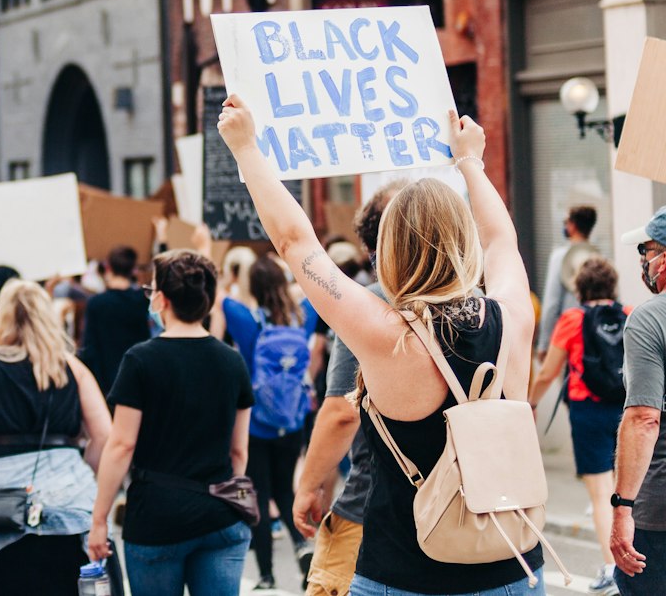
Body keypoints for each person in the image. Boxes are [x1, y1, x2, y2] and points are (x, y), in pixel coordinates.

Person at [219, 98, 548, 594]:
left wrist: (246, 149)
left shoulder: (384, 334)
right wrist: (470, 162)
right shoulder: (514, 315)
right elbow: (503, 240)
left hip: (400, 571)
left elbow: (295, 243)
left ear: (387, 248)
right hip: (512, 568)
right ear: (465, 243)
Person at [88, 251, 253, 595]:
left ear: (161, 299)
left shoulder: (140, 360)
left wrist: (99, 519)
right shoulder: (231, 360)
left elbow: (122, 445)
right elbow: (238, 451)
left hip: (157, 515)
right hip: (220, 513)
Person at [0, 279, 112, 593]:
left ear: (2, 317)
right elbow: (104, 437)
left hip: (1, 510)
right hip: (70, 506)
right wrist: (84, 477)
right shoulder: (72, 367)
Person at [292, 182, 404, 596]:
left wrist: (309, 486)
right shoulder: (476, 302)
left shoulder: (368, 302)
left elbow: (342, 411)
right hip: (458, 512)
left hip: (373, 507)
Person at [218, 257, 318, 589]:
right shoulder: (301, 319)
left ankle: (265, 574)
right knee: (285, 491)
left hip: (256, 423)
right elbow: (313, 287)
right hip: (292, 421)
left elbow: (222, 299)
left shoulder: (248, 322)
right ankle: (303, 545)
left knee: (257, 495)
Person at [530, 256, 628, 593]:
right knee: (632, 490)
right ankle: (638, 563)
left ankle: (612, 569)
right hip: (626, 409)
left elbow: (547, 373)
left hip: (587, 412)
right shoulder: (629, 315)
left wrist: (529, 403)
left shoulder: (572, 319)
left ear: (580, 289)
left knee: (602, 494)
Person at [610, 212, 666, 592]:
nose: (642, 261)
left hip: (659, 512)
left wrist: (622, 507)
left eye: (645, 250)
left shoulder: (649, 318)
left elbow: (645, 418)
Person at [79, 246, 151, 397]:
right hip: (138, 379)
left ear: (108, 268)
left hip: (106, 383)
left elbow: (89, 346)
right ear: (133, 270)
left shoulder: (96, 303)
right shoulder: (142, 300)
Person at [539, 206, 600, 355]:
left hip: (568, 338)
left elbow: (551, 304)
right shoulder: (598, 256)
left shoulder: (559, 257)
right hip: (594, 337)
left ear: (572, 225)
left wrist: (544, 345)